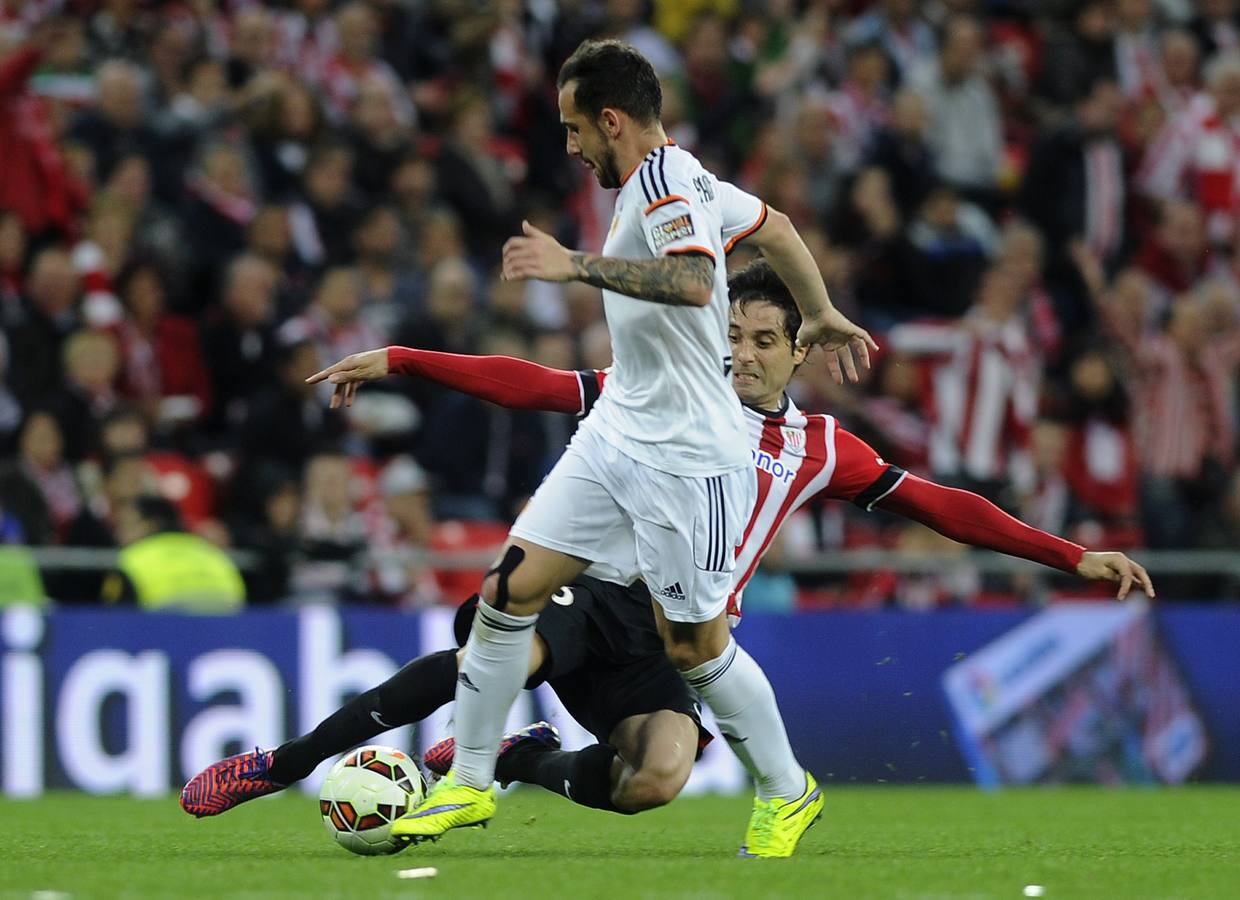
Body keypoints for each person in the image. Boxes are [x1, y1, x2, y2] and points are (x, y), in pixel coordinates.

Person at [182, 260, 1152, 845]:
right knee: (501, 643)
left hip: (673, 634)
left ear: (795, 352)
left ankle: (520, 762)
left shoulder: (823, 450)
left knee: (655, 780)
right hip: (590, 587)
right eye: (729, 333)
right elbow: (532, 384)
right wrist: (404, 358)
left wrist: (1073, 559)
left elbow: (942, 508)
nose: (740, 352)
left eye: (762, 340)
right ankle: (286, 762)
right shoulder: (656, 388)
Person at [309, 38, 876, 857]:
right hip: (619, 434)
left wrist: (572, 265)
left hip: (687, 457)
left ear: (613, 120)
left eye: (576, 130)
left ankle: (788, 789)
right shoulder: (692, 180)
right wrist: (818, 308)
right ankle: (469, 783)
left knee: (695, 646)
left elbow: (691, 282)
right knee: (510, 590)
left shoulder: (667, 185)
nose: (570, 148)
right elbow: (777, 227)